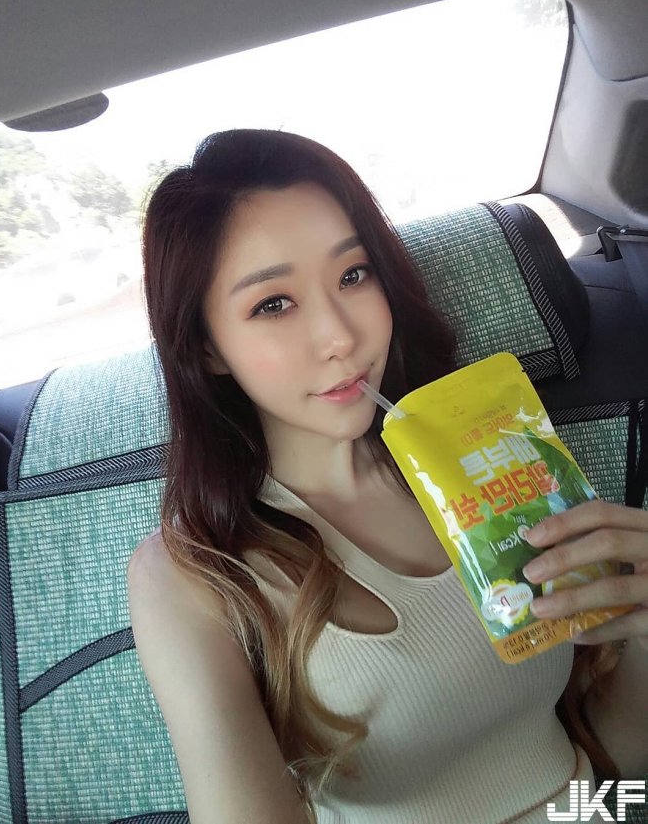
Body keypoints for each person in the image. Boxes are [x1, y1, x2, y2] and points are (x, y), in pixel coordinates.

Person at [127, 129, 648, 824]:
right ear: (206, 348)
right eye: (273, 303)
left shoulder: (496, 457)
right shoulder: (194, 574)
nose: (341, 336)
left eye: (354, 274)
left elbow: (612, 775)